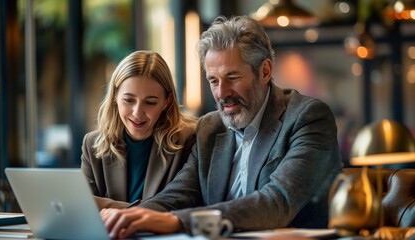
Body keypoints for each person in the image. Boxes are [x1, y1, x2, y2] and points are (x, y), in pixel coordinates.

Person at [100, 15, 343, 239]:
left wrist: (175, 221)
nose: (221, 93)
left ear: (265, 71)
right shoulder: (210, 127)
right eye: (213, 81)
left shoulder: (308, 117)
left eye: (232, 78)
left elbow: (276, 203)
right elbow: (177, 195)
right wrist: (131, 217)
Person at [81, 50, 197, 209]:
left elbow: (181, 205)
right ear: (115, 95)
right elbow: (83, 207)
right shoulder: (92, 143)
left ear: (167, 102)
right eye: (128, 100)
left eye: (150, 102)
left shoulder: (190, 138)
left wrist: (107, 204)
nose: (137, 113)